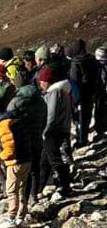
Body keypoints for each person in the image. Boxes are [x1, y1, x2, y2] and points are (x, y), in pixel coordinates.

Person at [6, 75, 46, 215]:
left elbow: (8, 124)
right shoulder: (40, 100)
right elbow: (45, 121)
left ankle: (21, 201)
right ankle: (34, 196)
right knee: (35, 169)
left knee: (21, 174)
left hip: (21, 142)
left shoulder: (15, 102)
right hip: (37, 139)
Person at [37, 66, 74, 197]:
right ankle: (40, 188)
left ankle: (65, 185)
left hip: (52, 131)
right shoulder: (63, 91)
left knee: (53, 160)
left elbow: (51, 114)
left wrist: (45, 130)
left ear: (47, 81)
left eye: (42, 81)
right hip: (62, 128)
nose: (40, 84)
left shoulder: (54, 92)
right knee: (45, 161)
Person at [0, 93, 29, 228]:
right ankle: (21, 216)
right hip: (27, 158)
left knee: (11, 190)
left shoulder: (3, 125)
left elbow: (9, 148)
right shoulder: (19, 120)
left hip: (15, 161)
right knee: (22, 189)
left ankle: (11, 217)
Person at [71, 39, 100, 148]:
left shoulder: (76, 62)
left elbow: (73, 81)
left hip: (80, 93)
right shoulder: (92, 59)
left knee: (79, 117)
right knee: (87, 115)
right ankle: (84, 136)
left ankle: (81, 139)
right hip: (91, 91)